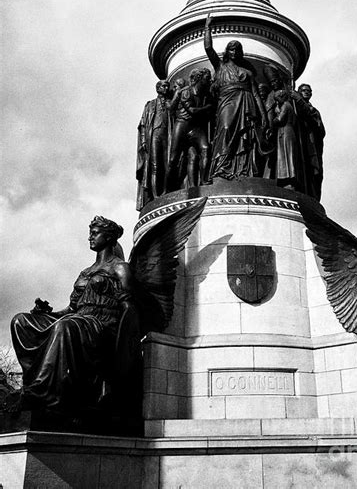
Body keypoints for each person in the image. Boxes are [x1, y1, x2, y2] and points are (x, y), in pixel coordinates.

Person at [11, 217, 140, 422]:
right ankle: (33, 382)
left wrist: (124, 347)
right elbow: (71, 309)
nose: (90, 236)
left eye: (95, 232)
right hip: (77, 320)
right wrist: (45, 314)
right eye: (90, 232)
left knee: (66, 326)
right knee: (21, 322)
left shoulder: (120, 268)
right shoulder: (85, 272)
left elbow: (129, 308)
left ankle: (42, 391)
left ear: (108, 237)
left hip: (102, 326)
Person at [204, 14, 267, 179]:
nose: (234, 52)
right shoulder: (220, 67)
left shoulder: (247, 73)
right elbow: (208, 49)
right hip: (227, 101)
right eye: (231, 49)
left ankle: (241, 169)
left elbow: (256, 94)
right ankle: (221, 167)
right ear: (227, 52)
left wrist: (263, 115)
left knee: (244, 137)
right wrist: (207, 27)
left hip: (246, 102)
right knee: (225, 129)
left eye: (237, 49)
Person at [165, 68, 213, 192]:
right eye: (207, 78)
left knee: (205, 149)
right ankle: (168, 189)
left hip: (195, 128)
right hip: (182, 126)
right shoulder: (186, 92)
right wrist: (208, 107)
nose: (210, 80)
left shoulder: (206, 94)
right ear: (199, 78)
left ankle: (203, 180)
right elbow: (192, 110)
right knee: (173, 159)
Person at [136, 80, 172, 210]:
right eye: (163, 86)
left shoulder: (170, 103)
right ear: (158, 89)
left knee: (167, 164)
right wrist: (144, 140)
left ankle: (166, 191)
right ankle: (156, 195)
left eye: (167, 86)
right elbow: (143, 124)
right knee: (155, 165)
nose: (166, 88)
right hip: (154, 135)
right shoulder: (150, 105)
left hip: (167, 136)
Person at [295, 83, 325, 201]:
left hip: (312, 144)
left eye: (308, 91)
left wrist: (298, 100)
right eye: (303, 90)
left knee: (314, 172)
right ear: (299, 91)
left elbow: (320, 129)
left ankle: (313, 197)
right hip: (301, 143)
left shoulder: (314, 111)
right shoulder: (295, 106)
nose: (306, 92)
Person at [270, 90, 298, 189]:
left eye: (277, 99)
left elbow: (280, 119)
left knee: (286, 155)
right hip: (286, 131)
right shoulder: (288, 105)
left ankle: (288, 178)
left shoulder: (286, 105)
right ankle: (286, 178)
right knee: (285, 154)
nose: (277, 101)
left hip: (285, 131)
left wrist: (271, 120)